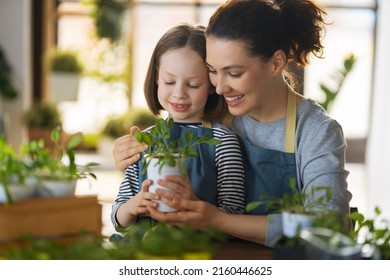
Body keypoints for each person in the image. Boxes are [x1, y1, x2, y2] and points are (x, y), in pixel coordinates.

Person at [112, 0, 352, 247]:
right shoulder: (211, 109)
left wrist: (218, 220)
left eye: (234, 73)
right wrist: (131, 156)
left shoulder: (315, 130)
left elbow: (329, 225)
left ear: (276, 63)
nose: (219, 87)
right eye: (212, 71)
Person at [111, 23, 246, 230]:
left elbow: (235, 215)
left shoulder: (223, 142)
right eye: (169, 81)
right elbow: (117, 218)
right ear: (157, 77)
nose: (179, 93)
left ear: (211, 85)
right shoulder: (142, 140)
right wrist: (131, 208)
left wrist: (195, 209)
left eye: (192, 85)